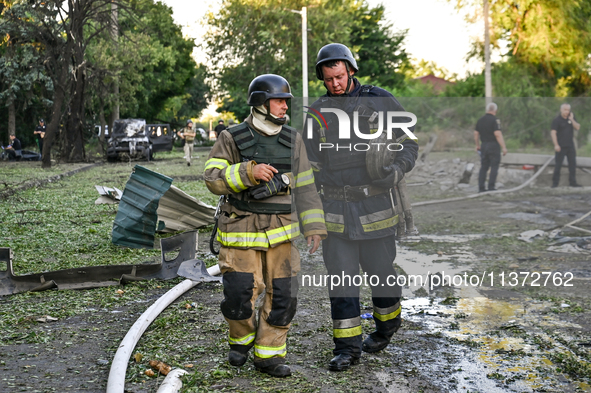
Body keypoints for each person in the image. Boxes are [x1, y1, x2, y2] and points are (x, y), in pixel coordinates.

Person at [303, 43, 419, 371]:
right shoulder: (318, 113)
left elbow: (409, 143)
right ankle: (347, 348)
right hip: (335, 213)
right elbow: (309, 167)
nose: (335, 84)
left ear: (351, 70)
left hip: (376, 209)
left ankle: (387, 325)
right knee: (341, 281)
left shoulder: (379, 100)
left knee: (382, 276)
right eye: (328, 80)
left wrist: (397, 169)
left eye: (339, 77)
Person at [203, 74, 327, 377]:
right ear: (260, 103)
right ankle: (241, 340)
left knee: (283, 295)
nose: (285, 106)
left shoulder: (293, 139)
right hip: (240, 231)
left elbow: (307, 187)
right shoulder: (231, 137)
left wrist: (314, 227)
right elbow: (212, 178)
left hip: (282, 234)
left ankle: (269, 355)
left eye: (287, 101)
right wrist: (248, 172)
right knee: (238, 296)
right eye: (279, 101)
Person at [474, 102, 507, 192]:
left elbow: (476, 134)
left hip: (484, 145)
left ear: (487, 110)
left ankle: (481, 188)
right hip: (493, 145)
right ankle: (491, 187)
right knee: (494, 166)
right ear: (495, 110)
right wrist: (503, 147)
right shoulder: (495, 120)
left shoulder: (480, 120)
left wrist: (477, 145)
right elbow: (497, 134)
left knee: (484, 167)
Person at [551, 103, 582, 188]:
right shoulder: (557, 120)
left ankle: (573, 182)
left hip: (570, 146)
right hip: (560, 146)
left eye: (568, 110)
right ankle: (555, 183)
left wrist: (572, 119)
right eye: (565, 110)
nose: (566, 112)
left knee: (572, 165)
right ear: (561, 110)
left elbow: (577, 127)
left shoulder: (571, 118)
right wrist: (556, 144)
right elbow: (553, 133)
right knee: (558, 165)